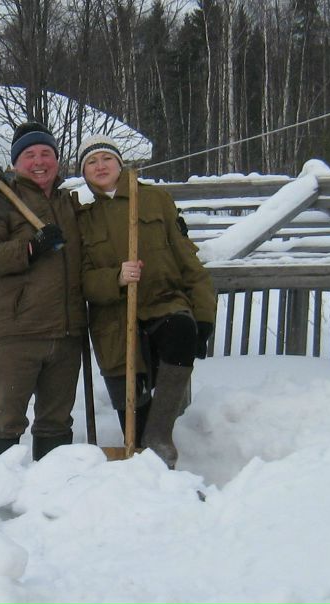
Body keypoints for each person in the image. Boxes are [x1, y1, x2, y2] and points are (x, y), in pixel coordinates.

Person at [72, 134, 216, 469]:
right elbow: (82, 280)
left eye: (106, 158)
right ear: (84, 172)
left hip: (163, 302)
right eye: (91, 162)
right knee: (133, 422)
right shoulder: (81, 217)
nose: (100, 166)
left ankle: (160, 435)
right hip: (113, 319)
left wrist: (204, 315)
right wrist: (115, 278)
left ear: (119, 163)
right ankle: (146, 461)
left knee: (182, 328)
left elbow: (187, 259)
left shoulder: (153, 200)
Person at [0, 122, 87, 461]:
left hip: (66, 332)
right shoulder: (1, 203)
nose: (39, 161)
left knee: (56, 421)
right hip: (19, 332)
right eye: (30, 155)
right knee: (6, 419)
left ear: (57, 160)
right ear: (16, 163)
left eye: (46, 153)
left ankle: (50, 493)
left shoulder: (70, 204)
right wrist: (30, 248)